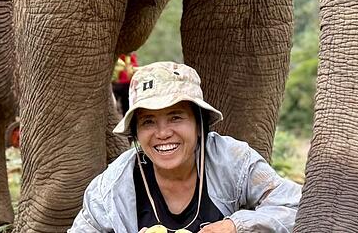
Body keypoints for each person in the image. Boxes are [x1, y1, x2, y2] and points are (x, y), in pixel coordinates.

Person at [72, 62, 299, 233]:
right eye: (148, 121)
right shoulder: (113, 185)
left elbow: (294, 205)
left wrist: (235, 225)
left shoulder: (234, 160)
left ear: (200, 124)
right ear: (136, 133)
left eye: (175, 117)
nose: (162, 133)